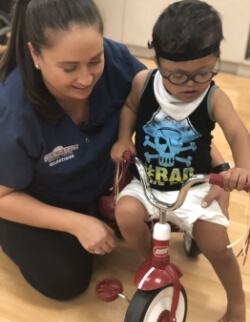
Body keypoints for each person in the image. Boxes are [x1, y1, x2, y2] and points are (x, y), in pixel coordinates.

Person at [0, 0, 228, 303]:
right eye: (69, 68)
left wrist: (219, 171)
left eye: (95, 61)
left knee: (165, 198)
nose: (86, 78)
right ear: (35, 55)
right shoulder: (13, 111)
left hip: (105, 178)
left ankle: (101, 210)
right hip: (33, 199)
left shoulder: (117, 61)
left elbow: (175, 117)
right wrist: (77, 223)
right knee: (65, 280)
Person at [111, 0, 250, 322]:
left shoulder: (213, 97)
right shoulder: (143, 83)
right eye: (177, 75)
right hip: (148, 182)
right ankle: (155, 259)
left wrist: (241, 166)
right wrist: (123, 138)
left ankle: (238, 297)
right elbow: (130, 108)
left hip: (195, 187)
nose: (191, 84)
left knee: (216, 244)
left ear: (216, 58)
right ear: (157, 60)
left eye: (204, 72)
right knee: (126, 215)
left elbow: (237, 132)